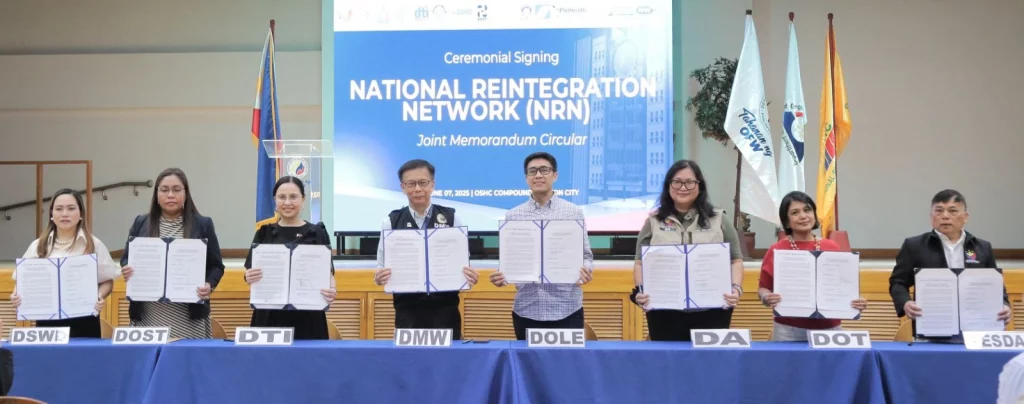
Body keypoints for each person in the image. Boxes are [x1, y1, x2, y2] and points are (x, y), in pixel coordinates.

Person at [629, 159, 743, 341]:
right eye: (677, 182)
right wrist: (642, 290)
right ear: (668, 186)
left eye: (690, 182)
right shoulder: (653, 222)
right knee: (668, 364)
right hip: (665, 310)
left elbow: (735, 259)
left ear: (700, 186)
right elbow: (639, 263)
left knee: (709, 364)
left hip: (712, 309)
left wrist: (736, 289)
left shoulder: (719, 219)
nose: (683, 187)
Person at [489, 152, 594, 340]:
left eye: (544, 170)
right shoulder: (513, 216)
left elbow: (586, 255)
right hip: (527, 309)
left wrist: (586, 271)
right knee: (529, 368)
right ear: (526, 178)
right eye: (532, 171)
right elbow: (510, 261)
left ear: (555, 175)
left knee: (566, 366)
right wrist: (501, 276)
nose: (538, 175)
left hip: (567, 308)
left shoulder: (573, 212)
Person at [373, 159, 479, 340]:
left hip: (445, 310)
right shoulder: (391, 221)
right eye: (411, 184)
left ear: (432, 185)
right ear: (402, 186)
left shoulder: (452, 217)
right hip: (407, 310)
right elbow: (381, 266)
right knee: (410, 363)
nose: (417, 189)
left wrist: (469, 275)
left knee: (447, 364)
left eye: (423, 183)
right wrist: (379, 277)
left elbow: (463, 262)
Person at [120, 168, 225, 339]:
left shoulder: (202, 224)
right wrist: (126, 269)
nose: (170, 195)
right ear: (156, 194)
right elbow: (126, 259)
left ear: (185, 193)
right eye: (164, 190)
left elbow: (216, 266)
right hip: (148, 314)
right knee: (150, 363)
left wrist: (209, 285)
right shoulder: (141, 222)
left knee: (185, 363)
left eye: (176, 190)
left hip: (188, 317)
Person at [889, 189, 1011, 331]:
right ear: (931, 216)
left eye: (953, 211)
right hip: (932, 325)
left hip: (976, 326)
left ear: (965, 217)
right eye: (939, 211)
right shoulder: (914, 246)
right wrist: (905, 303)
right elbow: (898, 282)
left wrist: (1004, 305)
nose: (945, 216)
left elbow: (996, 285)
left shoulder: (982, 247)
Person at [757, 191, 868, 341]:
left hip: (829, 328)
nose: (803, 216)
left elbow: (845, 286)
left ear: (814, 215)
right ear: (787, 221)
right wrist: (766, 297)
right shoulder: (776, 249)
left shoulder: (833, 247)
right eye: (795, 212)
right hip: (788, 329)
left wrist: (856, 299)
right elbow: (763, 288)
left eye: (807, 210)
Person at [11, 188, 119, 338]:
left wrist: (99, 295)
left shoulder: (93, 244)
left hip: (84, 320)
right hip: (47, 321)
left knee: (84, 361)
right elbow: (23, 281)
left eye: (71, 208)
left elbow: (107, 280)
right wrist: (16, 294)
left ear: (81, 214)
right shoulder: (38, 245)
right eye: (59, 209)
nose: (64, 214)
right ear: (51, 214)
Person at [243, 176, 337, 339]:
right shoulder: (264, 233)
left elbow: (328, 273)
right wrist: (248, 276)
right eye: (282, 197)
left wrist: (332, 290)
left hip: (308, 315)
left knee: (308, 362)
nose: (287, 202)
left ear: (303, 199)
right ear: (275, 200)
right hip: (269, 315)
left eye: (293, 197)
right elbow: (249, 271)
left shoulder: (317, 233)